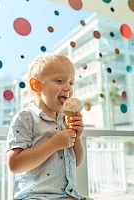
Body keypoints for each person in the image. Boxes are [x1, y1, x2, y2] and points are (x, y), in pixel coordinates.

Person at [6, 53, 93, 200]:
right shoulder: (25, 118)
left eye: (71, 83)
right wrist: (54, 144)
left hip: (68, 195)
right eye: (59, 81)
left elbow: (76, 162)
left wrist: (77, 139)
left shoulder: (65, 120)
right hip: (35, 197)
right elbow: (15, 164)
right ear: (36, 85)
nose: (67, 87)